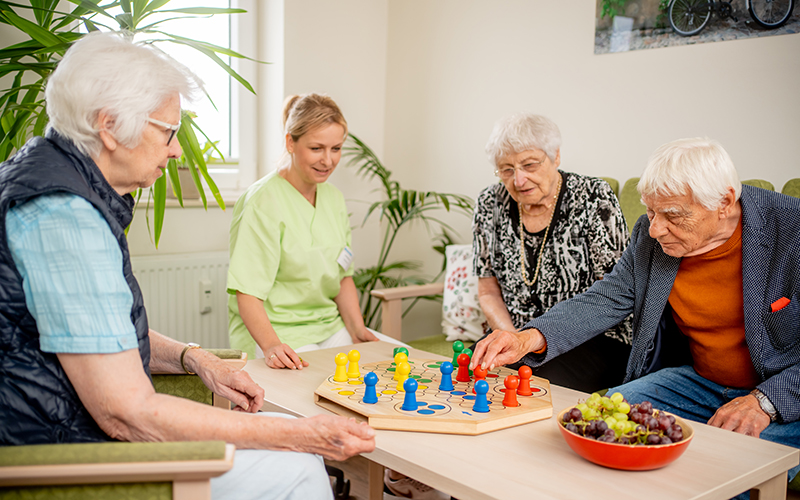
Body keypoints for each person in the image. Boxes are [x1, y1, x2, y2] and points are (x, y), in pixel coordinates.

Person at [0, 32, 374, 500]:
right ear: (110, 126)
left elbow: (94, 333)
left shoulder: (51, 182)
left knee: (291, 442)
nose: (177, 150)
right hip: (66, 458)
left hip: (71, 427)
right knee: (298, 463)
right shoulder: (66, 219)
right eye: (168, 132)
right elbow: (127, 413)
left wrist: (194, 357)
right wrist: (300, 435)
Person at [471, 137, 800, 494]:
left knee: (719, 479)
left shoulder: (792, 229)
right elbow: (606, 297)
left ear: (723, 202)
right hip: (698, 381)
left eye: (672, 215)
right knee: (592, 422)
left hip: (782, 390)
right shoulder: (652, 233)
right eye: (650, 212)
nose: (655, 229)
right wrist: (525, 338)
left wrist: (765, 402)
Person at [227, 93, 402, 370]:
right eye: (317, 148)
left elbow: (342, 275)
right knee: (330, 383)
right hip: (278, 331)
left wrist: (357, 329)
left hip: (328, 327)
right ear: (290, 143)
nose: (328, 160)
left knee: (397, 360)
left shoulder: (333, 198)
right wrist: (272, 346)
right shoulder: (261, 201)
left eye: (336, 148)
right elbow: (247, 292)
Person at [472, 113, 632, 392]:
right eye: (506, 169)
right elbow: (487, 290)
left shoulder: (594, 196)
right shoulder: (490, 203)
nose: (519, 180)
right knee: (471, 372)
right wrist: (512, 339)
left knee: (528, 384)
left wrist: (529, 343)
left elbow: (614, 293)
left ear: (555, 156)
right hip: (515, 333)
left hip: (590, 338)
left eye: (529, 164)